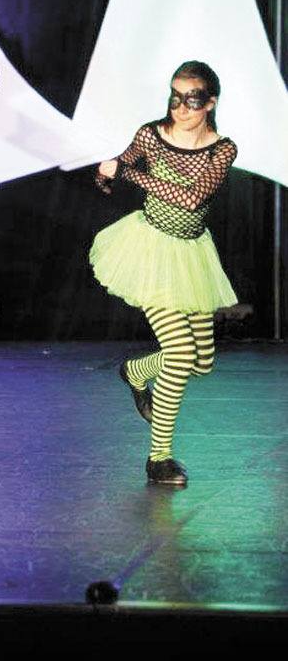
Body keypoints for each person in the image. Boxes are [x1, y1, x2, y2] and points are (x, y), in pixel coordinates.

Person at [89, 60, 237, 488]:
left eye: (191, 98)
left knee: (202, 363)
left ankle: (135, 372)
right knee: (180, 355)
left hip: (192, 255)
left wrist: (128, 173)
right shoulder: (150, 135)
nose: (180, 106)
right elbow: (110, 177)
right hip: (150, 251)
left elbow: (191, 200)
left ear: (209, 102)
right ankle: (159, 458)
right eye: (175, 96)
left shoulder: (222, 148)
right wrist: (105, 173)